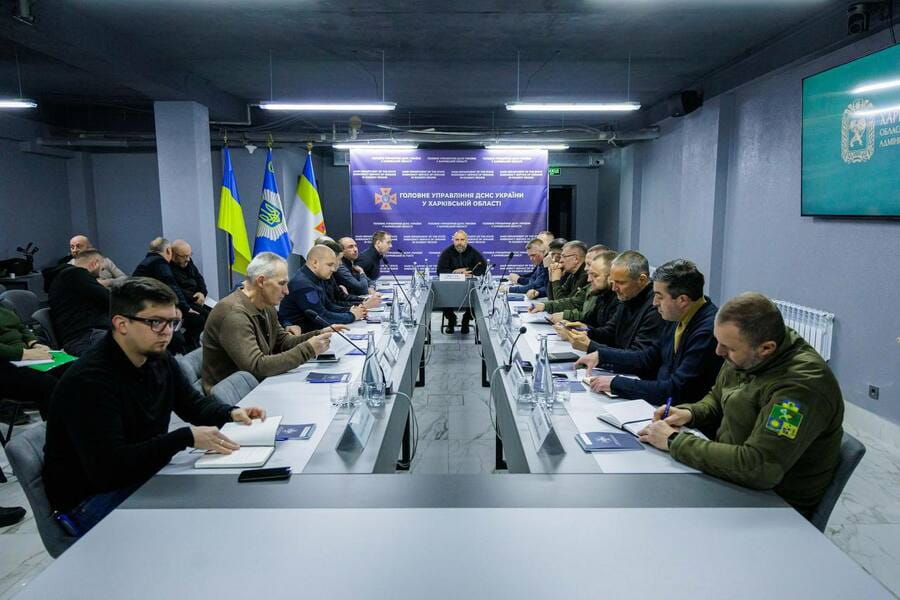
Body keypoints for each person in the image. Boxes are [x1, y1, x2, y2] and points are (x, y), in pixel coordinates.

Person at [43, 277, 268, 536]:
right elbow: (109, 469)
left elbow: (192, 406)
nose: (167, 332)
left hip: (140, 473)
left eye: (172, 322)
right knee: (210, 518)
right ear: (121, 324)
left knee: (229, 496)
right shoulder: (90, 381)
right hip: (91, 500)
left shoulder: (157, 358)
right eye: (155, 322)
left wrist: (230, 412)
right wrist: (184, 438)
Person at [637, 292, 844, 518]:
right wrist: (690, 413)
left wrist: (674, 441)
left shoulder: (801, 388)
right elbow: (717, 397)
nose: (718, 352)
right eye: (718, 341)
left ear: (766, 348)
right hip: (731, 475)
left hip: (775, 505)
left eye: (728, 348)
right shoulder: (747, 352)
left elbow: (759, 467)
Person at [574, 259, 722, 405]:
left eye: (659, 296)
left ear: (682, 300)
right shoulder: (678, 315)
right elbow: (648, 357)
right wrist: (602, 355)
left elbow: (676, 390)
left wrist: (616, 384)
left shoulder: (707, 331)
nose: (654, 303)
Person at [203, 252, 332, 392]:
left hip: (257, 386)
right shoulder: (233, 314)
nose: (287, 291)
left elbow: (283, 342)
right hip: (235, 397)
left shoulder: (266, 306)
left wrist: (318, 335)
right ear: (261, 281)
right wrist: (308, 349)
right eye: (281, 284)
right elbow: (257, 367)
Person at [558, 250, 665, 352]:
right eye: (613, 282)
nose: (614, 288)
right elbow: (610, 332)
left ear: (642, 280)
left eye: (621, 283)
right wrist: (585, 331)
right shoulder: (628, 297)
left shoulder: (655, 307)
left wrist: (591, 347)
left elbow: (640, 355)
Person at [133, 237, 204, 351]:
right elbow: (172, 287)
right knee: (195, 321)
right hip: (145, 309)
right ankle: (188, 349)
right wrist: (186, 308)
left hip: (143, 307)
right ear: (168, 250)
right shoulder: (159, 263)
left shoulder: (150, 262)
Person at [278, 245, 367, 332]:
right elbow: (322, 317)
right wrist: (352, 316)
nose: (334, 269)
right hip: (300, 335)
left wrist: (351, 310)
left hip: (313, 331)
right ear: (315, 263)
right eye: (329, 265)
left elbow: (329, 306)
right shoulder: (303, 284)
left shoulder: (317, 277)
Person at [47, 249, 110, 356]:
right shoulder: (76, 274)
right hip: (84, 337)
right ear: (95, 263)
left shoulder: (64, 277)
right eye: (102, 268)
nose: (101, 272)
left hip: (81, 336)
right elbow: (109, 299)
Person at [0, 307, 59, 420]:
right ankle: (59, 429)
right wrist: (24, 353)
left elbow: (21, 327)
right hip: (4, 363)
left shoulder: (4, 307)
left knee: (73, 370)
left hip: (25, 356)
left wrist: (34, 343)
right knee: (48, 384)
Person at [542, 250, 618, 327]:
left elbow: (606, 330)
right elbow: (572, 303)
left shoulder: (613, 298)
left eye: (589, 264)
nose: (585, 268)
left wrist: (555, 280)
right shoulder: (573, 276)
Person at [531, 244, 605, 318]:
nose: (560, 260)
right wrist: (551, 279)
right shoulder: (572, 275)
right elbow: (556, 300)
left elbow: (567, 305)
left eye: (563, 256)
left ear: (576, 259)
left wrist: (556, 280)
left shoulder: (585, 276)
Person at [437, 230, 486, 334]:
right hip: (450, 287)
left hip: (469, 287)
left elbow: (482, 267)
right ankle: (451, 319)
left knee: (477, 298)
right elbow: (440, 271)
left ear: (467, 241)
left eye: (462, 239)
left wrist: (470, 272)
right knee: (442, 295)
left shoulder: (474, 252)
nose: (459, 242)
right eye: (457, 240)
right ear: (453, 241)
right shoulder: (446, 252)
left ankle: (466, 320)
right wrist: (455, 272)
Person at [58, 235, 127, 287]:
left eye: (79, 246)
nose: (75, 250)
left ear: (89, 247)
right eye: (72, 247)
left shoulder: (105, 261)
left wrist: (109, 282)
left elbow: (125, 279)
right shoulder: (69, 267)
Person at [169, 240, 210, 316]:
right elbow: (176, 289)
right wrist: (195, 298)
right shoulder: (168, 269)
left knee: (217, 312)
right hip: (185, 302)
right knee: (205, 317)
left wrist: (202, 293)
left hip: (198, 297)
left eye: (189, 255)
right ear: (173, 255)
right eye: (184, 256)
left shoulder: (188, 261)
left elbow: (199, 278)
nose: (188, 259)